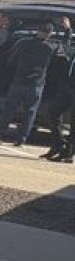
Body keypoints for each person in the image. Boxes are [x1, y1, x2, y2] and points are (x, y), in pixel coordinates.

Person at [0, 18, 55, 148]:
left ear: (38, 31)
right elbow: (65, 52)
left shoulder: (24, 43)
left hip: (18, 82)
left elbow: (11, 60)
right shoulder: (50, 47)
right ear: (50, 34)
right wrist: (68, 31)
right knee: (30, 113)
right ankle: (21, 139)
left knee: (8, 110)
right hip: (36, 85)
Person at [37, 17, 74, 163]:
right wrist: (68, 30)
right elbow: (66, 47)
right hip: (67, 86)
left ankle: (69, 153)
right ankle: (58, 144)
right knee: (51, 114)